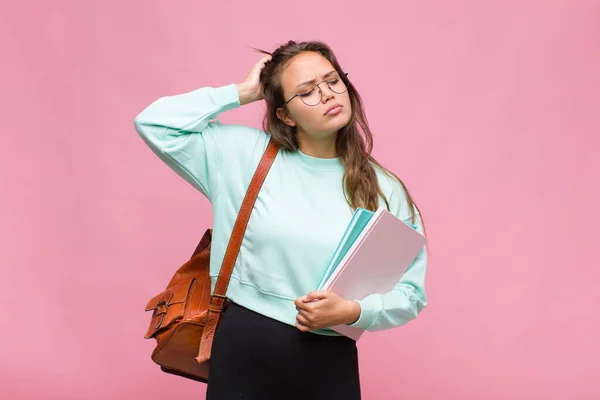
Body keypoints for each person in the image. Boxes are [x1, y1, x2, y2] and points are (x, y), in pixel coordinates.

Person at [134, 40, 428, 400]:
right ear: (284, 115)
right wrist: (243, 93)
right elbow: (154, 123)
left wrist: (353, 311)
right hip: (242, 348)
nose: (327, 94)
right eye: (307, 91)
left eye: (333, 80)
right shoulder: (243, 156)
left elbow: (411, 293)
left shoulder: (384, 189)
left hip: (327, 360)